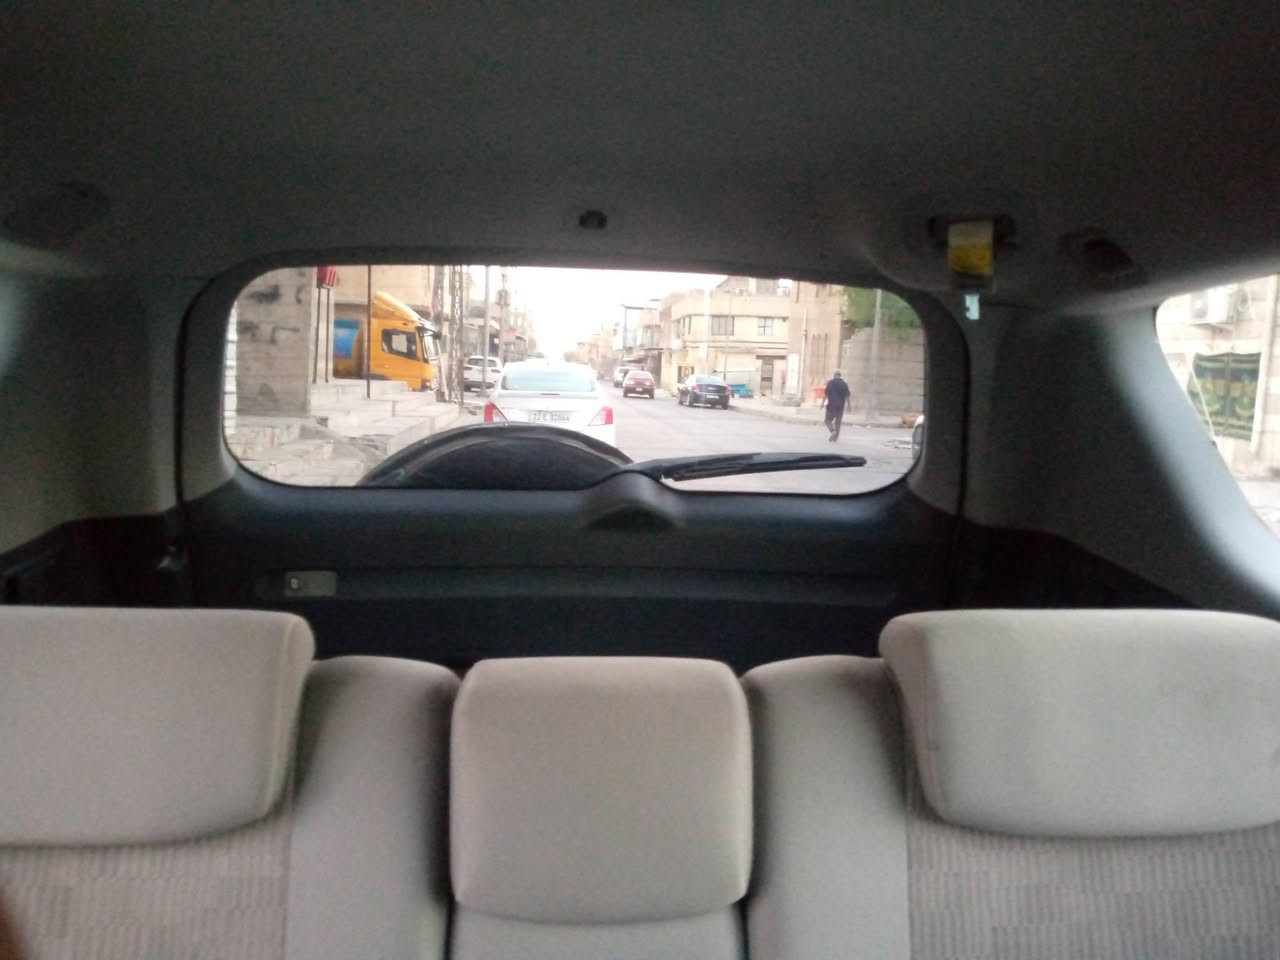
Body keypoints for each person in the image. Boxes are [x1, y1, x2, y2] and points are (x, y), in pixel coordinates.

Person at [821, 370, 851, 441]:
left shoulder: (830, 383)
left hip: (831, 406)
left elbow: (826, 395)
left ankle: (832, 430)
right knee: (838, 423)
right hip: (840, 407)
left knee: (827, 420)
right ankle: (834, 438)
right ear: (840, 376)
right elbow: (847, 396)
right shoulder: (844, 384)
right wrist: (849, 406)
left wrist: (822, 404)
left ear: (834, 375)